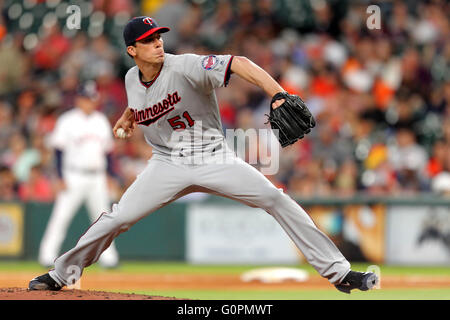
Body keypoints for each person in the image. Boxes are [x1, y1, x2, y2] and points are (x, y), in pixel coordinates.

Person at [29, 17, 377, 294]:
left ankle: (339, 272)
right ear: (132, 50)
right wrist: (127, 117)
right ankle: (62, 274)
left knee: (275, 198)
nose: (158, 43)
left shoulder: (187, 66)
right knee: (118, 218)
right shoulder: (131, 78)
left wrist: (278, 93)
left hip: (213, 157)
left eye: (159, 37)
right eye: (148, 40)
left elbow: (238, 62)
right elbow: (141, 103)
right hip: (166, 164)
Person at [37, 81, 119, 269]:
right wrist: (59, 177)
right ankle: (46, 256)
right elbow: (58, 151)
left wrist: (111, 176)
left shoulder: (101, 121)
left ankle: (109, 259)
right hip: (73, 175)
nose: (89, 102)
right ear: (78, 100)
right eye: (85, 98)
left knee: (104, 219)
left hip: (97, 177)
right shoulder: (68, 120)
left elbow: (108, 153)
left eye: (91, 98)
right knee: (61, 217)